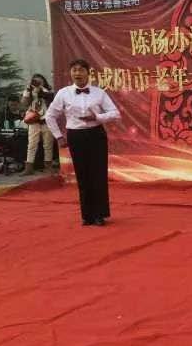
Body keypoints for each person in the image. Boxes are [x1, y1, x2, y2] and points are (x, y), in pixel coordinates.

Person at [46, 59, 120, 226]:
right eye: (74, 70)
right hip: (76, 137)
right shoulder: (63, 93)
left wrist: (97, 117)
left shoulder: (99, 93)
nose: (77, 73)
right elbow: (50, 116)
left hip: (96, 135)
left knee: (98, 174)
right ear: (70, 73)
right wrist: (59, 136)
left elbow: (115, 113)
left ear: (88, 73)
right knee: (82, 175)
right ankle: (87, 215)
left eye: (81, 70)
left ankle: (100, 215)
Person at [20, 73, 55, 175]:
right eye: (35, 81)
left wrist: (41, 91)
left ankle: (48, 167)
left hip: (46, 120)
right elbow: (24, 103)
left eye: (40, 81)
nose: (37, 82)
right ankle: (29, 168)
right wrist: (29, 91)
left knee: (48, 145)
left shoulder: (47, 90)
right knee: (31, 145)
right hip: (33, 120)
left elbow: (52, 98)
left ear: (43, 81)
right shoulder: (29, 90)